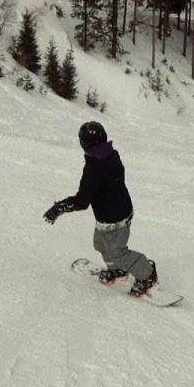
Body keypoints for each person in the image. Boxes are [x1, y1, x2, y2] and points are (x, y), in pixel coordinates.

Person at [43, 121, 159, 297]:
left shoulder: (94, 167)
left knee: (116, 252)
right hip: (110, 214)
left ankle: (147, 274)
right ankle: (118, 270)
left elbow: (82, 201)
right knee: (100, 244)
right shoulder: (111, 154)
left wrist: (59, 208)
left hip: (116, 217)